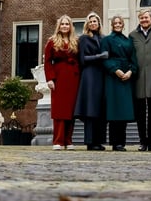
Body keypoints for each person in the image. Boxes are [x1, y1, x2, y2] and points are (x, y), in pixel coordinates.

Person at [101, 15, 138, 151]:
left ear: (123, 25)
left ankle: (121, 142)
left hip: (126, 78)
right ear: (112, 25)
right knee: (114, 110)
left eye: (119, 23)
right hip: (113, 78)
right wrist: (114, 69)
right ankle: (115, 142)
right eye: (115, 23)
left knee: (124, 111)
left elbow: (134, 60)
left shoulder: (128, 41)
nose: (117, 25)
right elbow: (104, 58)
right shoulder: (107, 40)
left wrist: (130, 72)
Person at [43, 14, 80, 150]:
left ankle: (68, 141)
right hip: (58, 78)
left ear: (70, 26)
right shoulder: (52, 41)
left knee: (71, 111)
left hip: (73, 78)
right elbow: (47, 62)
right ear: (59, 26)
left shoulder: (76, 41)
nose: (65, 26)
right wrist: (50, 79)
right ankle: (58, 141)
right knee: (59, 110)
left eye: (67, 24)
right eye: (63, 24)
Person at [73, 11, 108, 151]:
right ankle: (90, 141)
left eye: (95, 21)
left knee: (101, 110)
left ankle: (99, 141)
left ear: (99, 23)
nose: (93, 23)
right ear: (87, 24)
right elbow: (82, 60)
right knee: (90, 109)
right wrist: (99, 56)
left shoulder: (104, 38)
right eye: (91, 21)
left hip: (102, 76)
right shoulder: (83, 39)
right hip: (89, 76)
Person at [129, 9, 151, 151]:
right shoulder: (132, 35)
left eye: (146, 17)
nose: (144, 20)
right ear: (139, 19)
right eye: (141, 18)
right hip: (138, 79)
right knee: (140, 113)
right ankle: (143, 141)